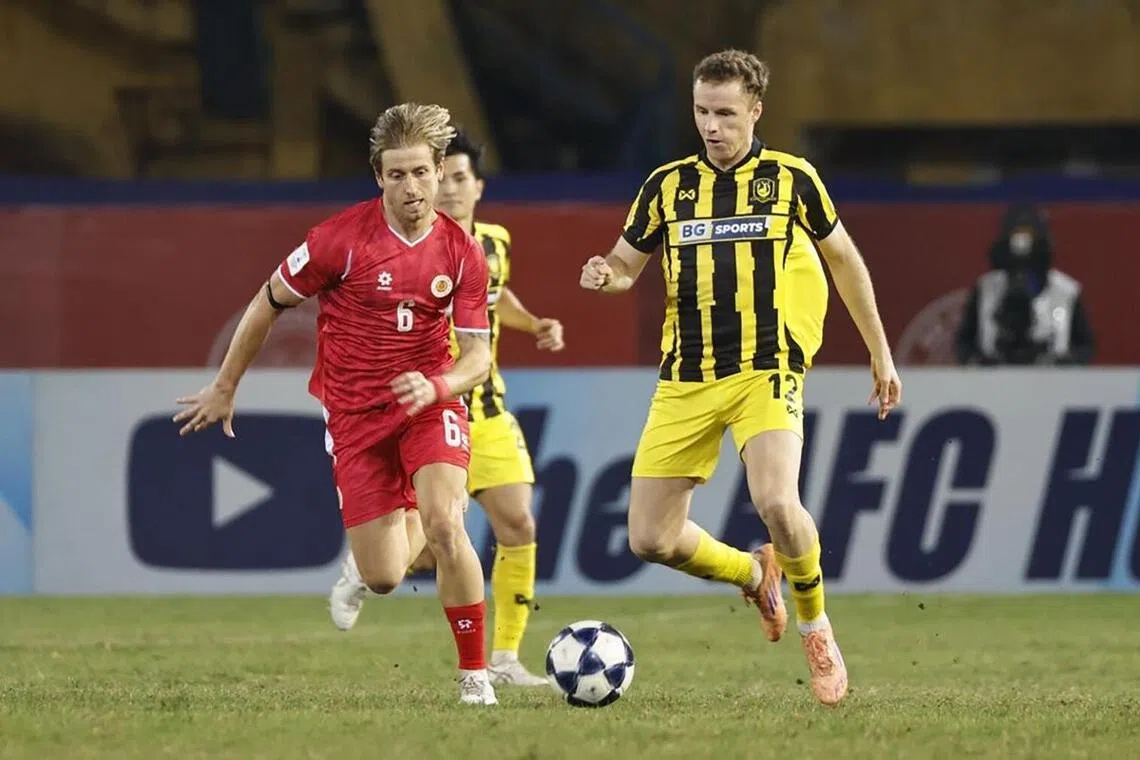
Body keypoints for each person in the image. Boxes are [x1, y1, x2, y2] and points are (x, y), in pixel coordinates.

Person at [578, 49, 901, 707]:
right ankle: (753, 574)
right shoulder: (667, 186)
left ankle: (818, 631)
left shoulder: (792, 178)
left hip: (765, 367)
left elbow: (845, 262)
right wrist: (602, 276)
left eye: (726, 113)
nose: (712, 125)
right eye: (702, 111)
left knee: (778, 502)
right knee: (650, 538)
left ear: (755, 111)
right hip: (687, 376)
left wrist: (880, 351)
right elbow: (623, 264)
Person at [173, 103, 499, 706]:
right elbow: (266, 302)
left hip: (429, 403)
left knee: (447, 525)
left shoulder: (462, 253)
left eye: (421, 173)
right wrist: (225, 385)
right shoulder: (338, 241)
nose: (411, 187)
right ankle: (366, 564)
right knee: (383, 577)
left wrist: (440, 387)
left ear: (438, 171)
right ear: (378, 176)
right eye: (397, 175)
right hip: (354, 416)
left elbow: (478, 356)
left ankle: (474, 677)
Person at [328, 130, 564, 687]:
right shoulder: (412, 244)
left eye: (462, 179)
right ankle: (366, 572)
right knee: (438, 529)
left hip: (485, 404)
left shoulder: (493, 243)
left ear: (477, 186)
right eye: (446, 178)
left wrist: (534, 324)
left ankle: (504, 659)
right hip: (426, 410)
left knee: (518, 521)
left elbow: (496, 297)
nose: (452, 190)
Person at [955, 203, 1095, 366]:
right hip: (994, 383)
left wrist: (1069, 361)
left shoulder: (1066, 292)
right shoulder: (984, 289)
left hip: (1052, 383)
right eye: (1016, 234)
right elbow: (964, 343)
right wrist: (976, 361)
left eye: (1029, 234)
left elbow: (1085, 346)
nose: (1022, 242)